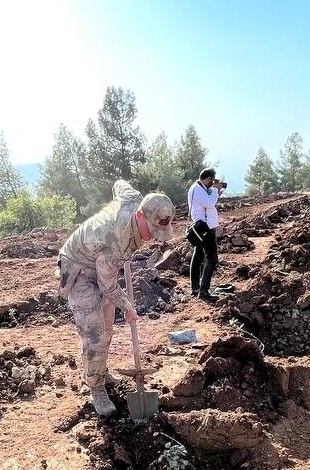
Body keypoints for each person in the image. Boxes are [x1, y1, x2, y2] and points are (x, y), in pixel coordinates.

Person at [56, 180, 174, 416]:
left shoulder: (133, 198)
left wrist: (116, 206)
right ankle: (96, 387)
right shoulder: (114, 241)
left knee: (108, 328)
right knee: (95, 334)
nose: (152, 237)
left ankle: (99, 369)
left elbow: (120, 184)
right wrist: (128, 307)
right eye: (151, 231)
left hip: (102, 266)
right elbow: (108, 286)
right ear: (140, 216)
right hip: (79, 269)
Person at [187, 168, 224, 302]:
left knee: (198, 256)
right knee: (212, 258)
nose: (212, 184)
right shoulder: (197, 189)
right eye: (212, 181)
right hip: (205, 228)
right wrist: (215, 191)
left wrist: (215, 191)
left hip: (204, 226)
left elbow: (207, 203)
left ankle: (196, 288)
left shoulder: (199, 188)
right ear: (208, 178)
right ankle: (203, 291)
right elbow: (210, 203)